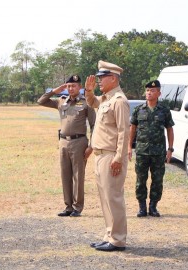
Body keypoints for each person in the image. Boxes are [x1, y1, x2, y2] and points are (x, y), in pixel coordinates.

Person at [84, 60, 129, 252]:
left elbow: (124, 131)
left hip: (111, 156)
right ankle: (110, 235)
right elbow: (93, 102)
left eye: (102, 78)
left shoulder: (119, 100)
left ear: (113, 78)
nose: (100, 81)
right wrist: (88, 91)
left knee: (114, 197)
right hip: (101, 155)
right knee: (105, 198)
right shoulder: (106, 98)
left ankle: (118, 239)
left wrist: (118, 158)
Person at [38, 75, 96, 217]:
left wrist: (91, 146)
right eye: (68, 86)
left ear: (80, 87)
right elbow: (41, 101)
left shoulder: (86, 102)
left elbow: (94, 125)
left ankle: (77, 207)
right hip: (63, 142)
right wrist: (54, 91)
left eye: (74, 86)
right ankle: (68, 207)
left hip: (79, 142)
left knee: (78, 176)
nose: (71, 88)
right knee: (65, 175)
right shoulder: (61, 101)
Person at [128, 80, 174, 218]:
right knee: (140, 179)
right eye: (147, 90)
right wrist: (129, 146)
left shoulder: (164, 110)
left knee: (157, 179)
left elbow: (170, 130)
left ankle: (153, 206)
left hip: (158, 152)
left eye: (152, 90)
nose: (149, 93)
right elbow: (133, 129)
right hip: (142, 151)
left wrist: (170, 149)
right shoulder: (138, 109)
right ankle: (142, 207)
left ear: (159, 93)